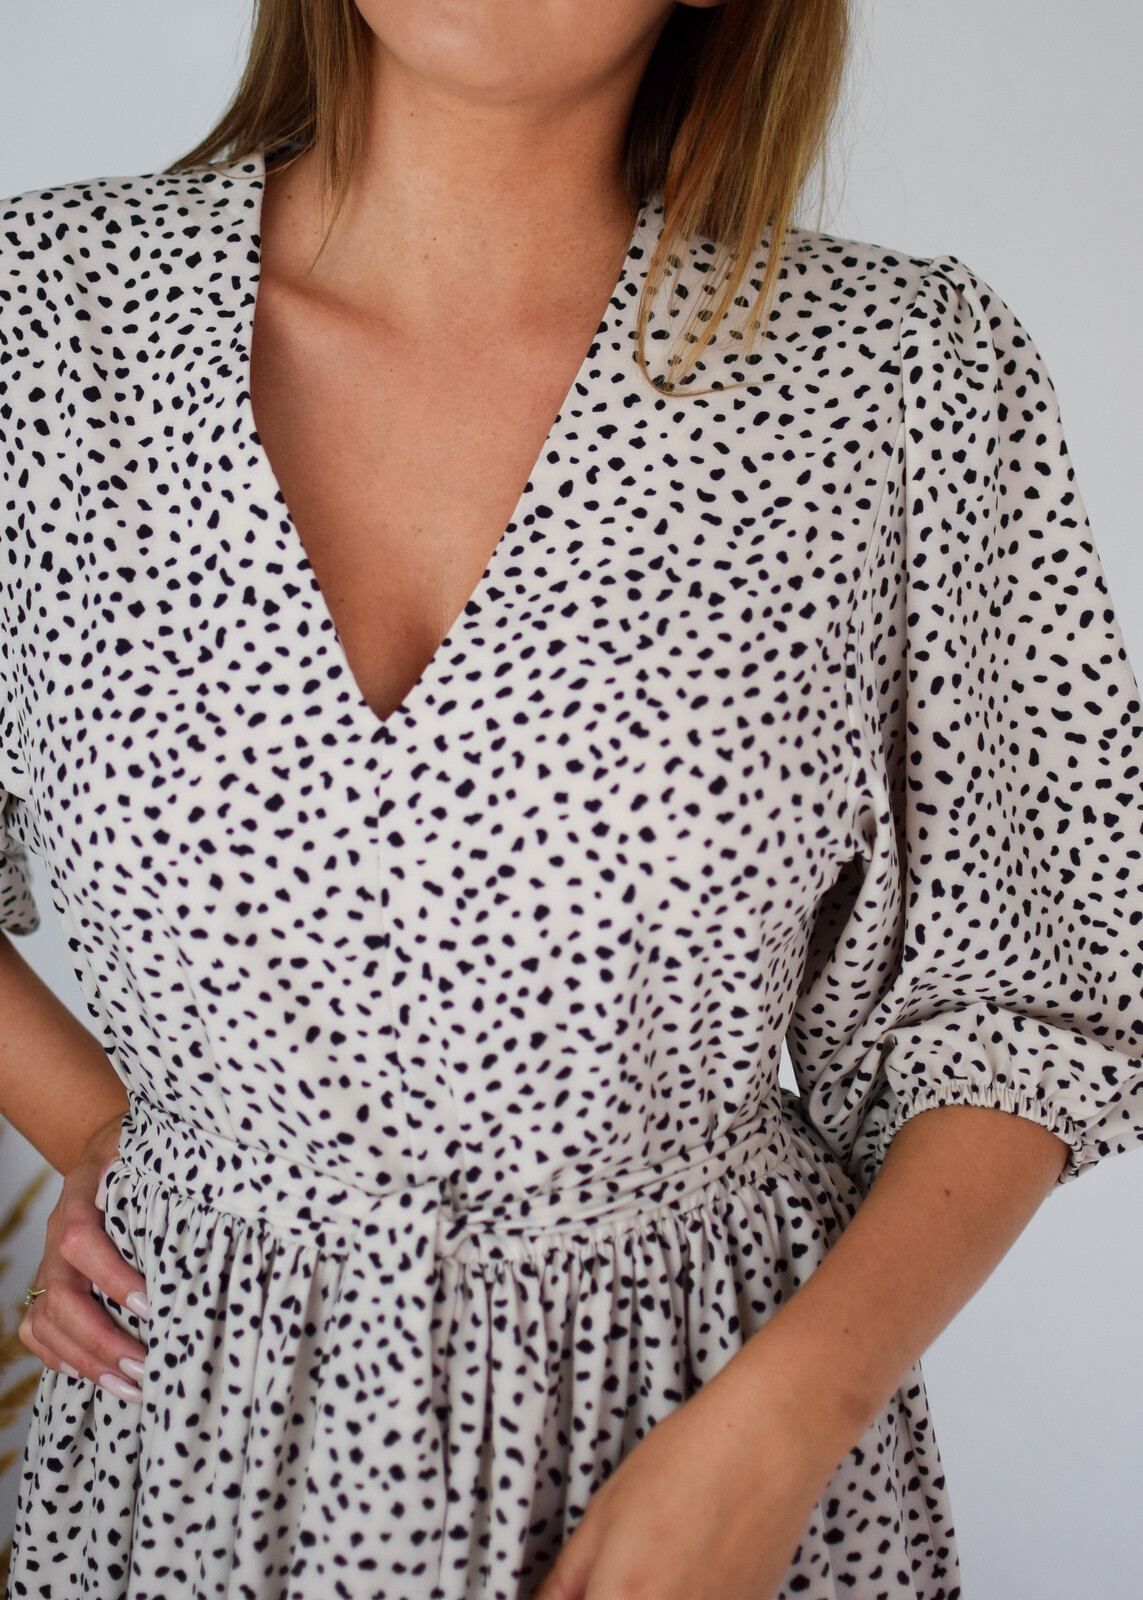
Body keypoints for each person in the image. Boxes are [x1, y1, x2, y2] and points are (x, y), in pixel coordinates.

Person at [3, 0, 1142, 1596]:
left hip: (702, 1448)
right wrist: (112, 1134)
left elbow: (1027, 1004)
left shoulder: (902, 380)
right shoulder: (43, 324)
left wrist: (784, 1432)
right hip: (186, 1451)